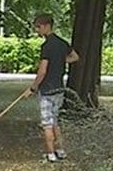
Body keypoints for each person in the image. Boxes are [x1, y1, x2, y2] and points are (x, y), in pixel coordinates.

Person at [26, 13, 80, 163]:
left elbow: (42, 71)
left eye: (38, 27)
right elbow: (75, 57)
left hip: (47, 90)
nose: (37, 31)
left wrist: (32, 88)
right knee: (55, 121)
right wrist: (61, 60)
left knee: (47, 123)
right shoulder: (62, 43)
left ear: (45, 26)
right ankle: (60, 151)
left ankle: (50, 154)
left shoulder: (47, 46)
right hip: (59, 89)